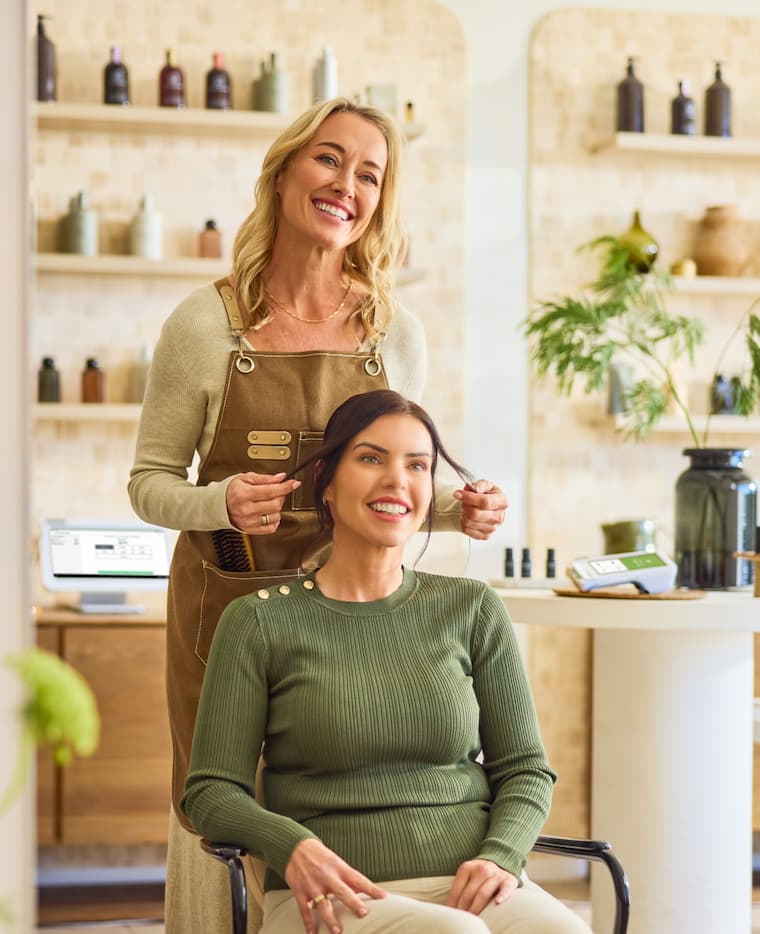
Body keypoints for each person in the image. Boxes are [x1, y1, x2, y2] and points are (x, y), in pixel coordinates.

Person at [127, 98, 509, 930]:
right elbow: (148, 483)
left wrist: (456, 508)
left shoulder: (390, 333)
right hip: (226, 608)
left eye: (369, 174)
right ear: (284, 171)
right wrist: (219, 502)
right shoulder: (204, 325)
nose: (346, 185)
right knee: (224, 809)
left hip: (351, 617)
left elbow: (390, 486)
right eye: (329, 160)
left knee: (330, 802)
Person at [183, 390, 588, 934]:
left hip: (473, 884)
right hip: (332, 894)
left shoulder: (471, 608)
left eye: (417, 465)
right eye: (371, 458)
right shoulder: (257, 624)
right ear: (326, 481)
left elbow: (525, 770)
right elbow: (210, 791)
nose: (397, 480)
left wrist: (501, 855)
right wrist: (292, 847)